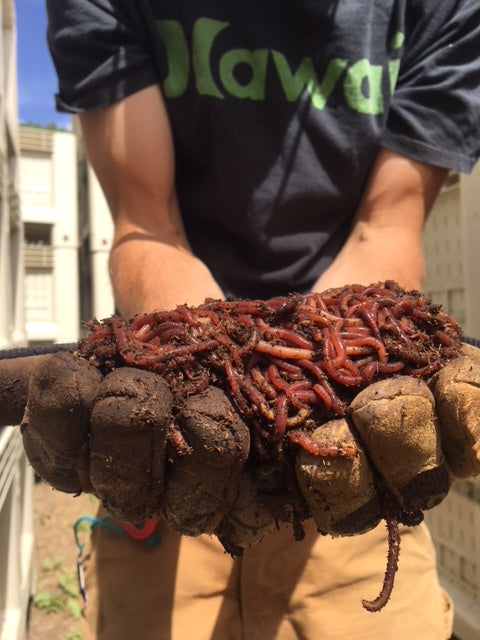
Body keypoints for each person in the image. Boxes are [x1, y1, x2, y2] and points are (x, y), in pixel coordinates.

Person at [44, 1, 480, 638]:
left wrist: (331, 386)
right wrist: (207, 363)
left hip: (350, 460)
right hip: (170, 448)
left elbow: (385, 226)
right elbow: (147, 221)